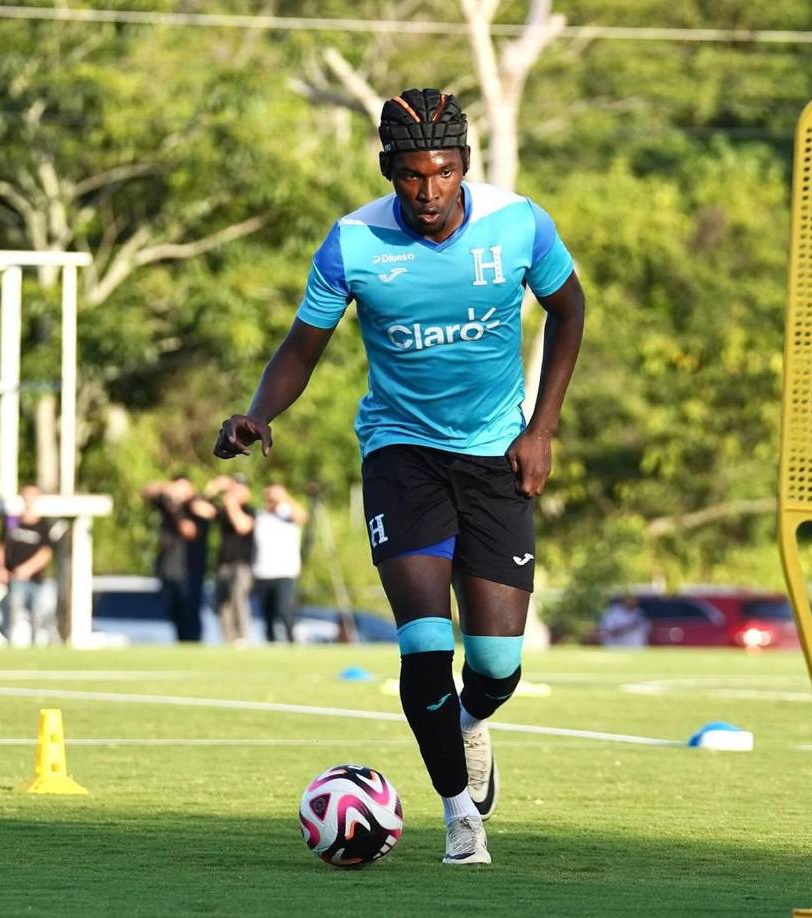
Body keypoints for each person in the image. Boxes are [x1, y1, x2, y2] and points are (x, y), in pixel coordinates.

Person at [213, 88, 585, 865]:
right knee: (424, 644)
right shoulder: (352, 244)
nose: (428, 191)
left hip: (495, 457)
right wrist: (258, 413)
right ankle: (459, 819)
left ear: (465, 166)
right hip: (400, 455)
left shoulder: (519, 224)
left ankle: (472, 722)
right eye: (411, 175)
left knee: (494, 665)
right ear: (389, 170)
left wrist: (541, 428)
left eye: (443, 172)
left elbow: (570, 308)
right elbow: (301, 348)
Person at [142, 475, 208, 642]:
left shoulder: (196, 506)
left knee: (190, 609)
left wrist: (176, 509)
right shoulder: (166, 503)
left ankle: (193, 640)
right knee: (174, 609)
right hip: (168, 566)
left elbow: (189, 531)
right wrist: (166, 488)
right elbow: (146, 490)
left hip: (190, 567)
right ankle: (182, 640)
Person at [0, 485, 57, 646]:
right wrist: (1, 568)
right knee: (12, 612)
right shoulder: (12, 521)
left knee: (38, 615)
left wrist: (27, 569)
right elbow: (2, 546)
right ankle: (11, 642)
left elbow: (45, 552)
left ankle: (36, 645)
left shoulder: (43, 525)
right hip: (14, 579)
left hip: (36, 580)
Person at [202, 475, 255, 645]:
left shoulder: (249, 510)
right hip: (223, 563)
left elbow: (242, 526)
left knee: (239, 599)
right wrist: (213, 488)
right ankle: (228, 639)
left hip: (242, 564)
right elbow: (200, 509)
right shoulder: (223, 511)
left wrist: (231, 503)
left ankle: (242, 637)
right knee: (223, 603)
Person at [251, 484, 307, 643]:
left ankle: (291, 640)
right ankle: (271, 642)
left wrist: (284, 497)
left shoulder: (287, 514)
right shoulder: (260, 515)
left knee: (284, 609)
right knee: (266, 614)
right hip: (262, 572)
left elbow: (302, 516)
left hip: (284, 571)